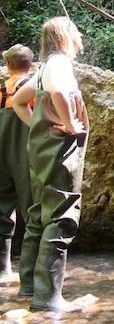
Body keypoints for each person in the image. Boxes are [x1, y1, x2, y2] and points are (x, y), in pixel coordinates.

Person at [12, 17, 88, 313]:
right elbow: (57, 91)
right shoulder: (59, 64)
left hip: (42, 151)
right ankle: (47, 298)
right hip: (60, 153)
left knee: (38, 215)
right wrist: (69, 125)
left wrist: (38, 128)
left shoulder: (44, 67)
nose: (79, 34)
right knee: (61, 217)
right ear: (64, 36)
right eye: (75, 30)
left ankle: (29, 286)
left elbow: (19, 102)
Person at [0, 44, 38, 294]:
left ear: (8, 66)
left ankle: (4, 270)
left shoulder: (1, 89)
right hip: (25, 157)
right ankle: (30, 281)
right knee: (33, 213)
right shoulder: (32, 89)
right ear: (31, 66)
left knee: (1, 210)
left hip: (1, 155)